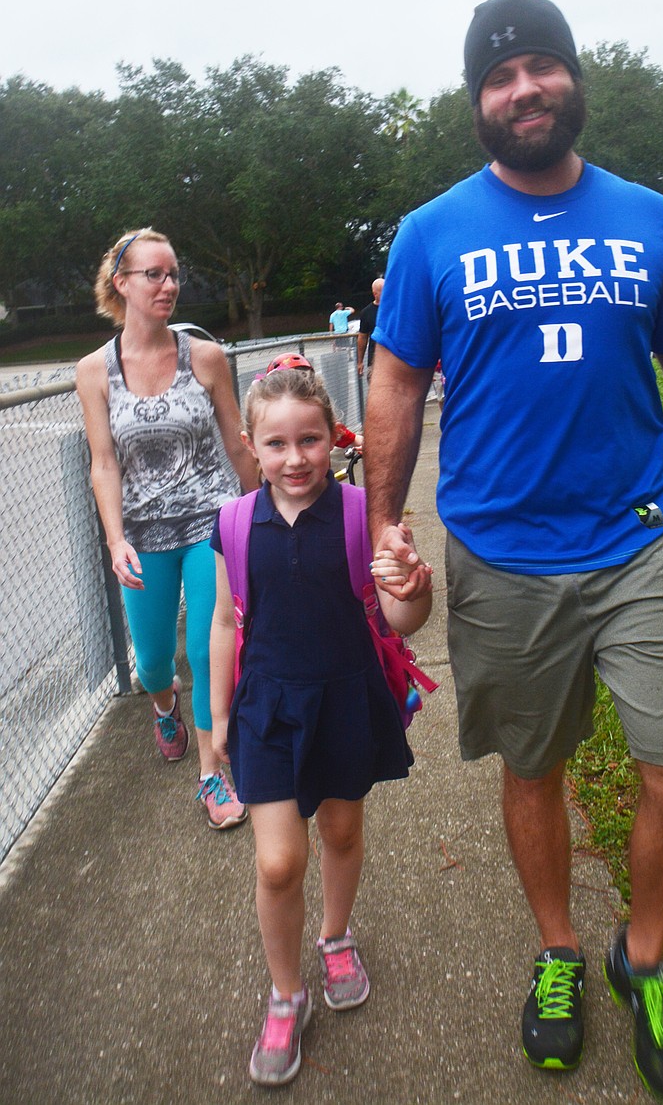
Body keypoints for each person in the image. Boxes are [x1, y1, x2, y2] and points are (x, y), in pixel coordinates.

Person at [364, 0, 663, 1104]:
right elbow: (396, 379)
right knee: (533, 768)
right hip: (502, 559)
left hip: (641, 542)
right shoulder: (431, 233)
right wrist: (382, 519)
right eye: (499, 76)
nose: (523, 88)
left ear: (573, 80)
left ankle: (639, 957)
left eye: (540, 66)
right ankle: (558, 951)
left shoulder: (645, 216)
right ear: (477, 102)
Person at [209, 363, 432, 1086]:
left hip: (344, 697)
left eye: (310, 439)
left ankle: (335, 936)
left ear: (335, 439)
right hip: (267, 707)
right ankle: (285, 991)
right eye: (276, 444)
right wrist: (215, 719)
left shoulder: (364, 514)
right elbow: (222, 620)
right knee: (277, 861)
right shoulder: (234, 522)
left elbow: (399, 619)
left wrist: (414, 589)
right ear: (251, 445)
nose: (295, 457)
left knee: (340, 830)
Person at [76, 228, 256, 829]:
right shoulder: (93, 371)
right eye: (153, 274)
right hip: (143, 538)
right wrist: (114, 536)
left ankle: (212, 775)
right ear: (120, 283)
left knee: (208, 652)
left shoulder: (203, 357)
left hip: (212, 525)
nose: (169, 285)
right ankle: (164, 705)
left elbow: (236, 444)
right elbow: (104, 463)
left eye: (173, 273)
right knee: (154, 662)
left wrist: (265, 516)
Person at [356, 278, 384, 378]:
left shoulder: (395, 308)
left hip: (394, 360)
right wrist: (360, 361)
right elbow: (362, 337)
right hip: (374, 361)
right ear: (375, 293)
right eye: (382, 291)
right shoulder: (366, 312)